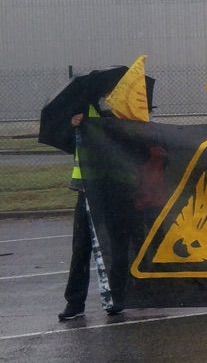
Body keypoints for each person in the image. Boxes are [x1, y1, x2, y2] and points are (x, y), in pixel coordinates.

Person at [59, 105, 121, 321]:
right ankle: (75, 302)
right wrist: (72, 125)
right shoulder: (78, 108)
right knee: (81, 247)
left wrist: (104, 117)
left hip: (113, 187)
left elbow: (124, 135)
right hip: (86, 189)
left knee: (116, 244)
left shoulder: (115, 107)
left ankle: (116, 298)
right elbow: (68, 143)